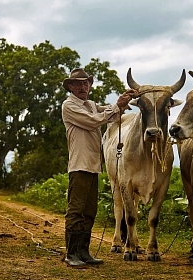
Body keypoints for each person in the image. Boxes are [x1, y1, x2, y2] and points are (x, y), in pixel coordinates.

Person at [61, 68, 135, 267]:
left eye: (86, 83)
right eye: (78, 84)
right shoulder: (69, 106)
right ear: (70, 87)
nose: (83, 87)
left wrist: (122, 103)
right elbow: (94, 121)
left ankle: (83, 252)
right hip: (79, 165)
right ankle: (71, 254)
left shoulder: (91, 105)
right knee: (76, 210)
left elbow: (107, 112)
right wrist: (117, 107)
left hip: (93, 165)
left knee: (89, 211)